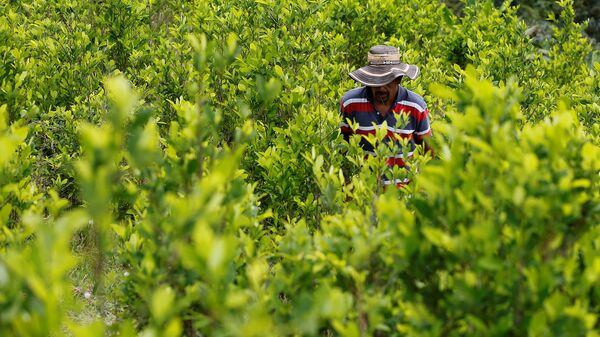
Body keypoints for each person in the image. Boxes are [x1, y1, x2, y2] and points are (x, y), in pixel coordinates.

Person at [339, 45, 432, 187]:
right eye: (376, 82)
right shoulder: (350, 103)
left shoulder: (415, 106)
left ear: (398, 79)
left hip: (403, 195)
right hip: (364, 193)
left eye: (387, 81)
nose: (381, 88)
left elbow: (429, 151)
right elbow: (342, 148)